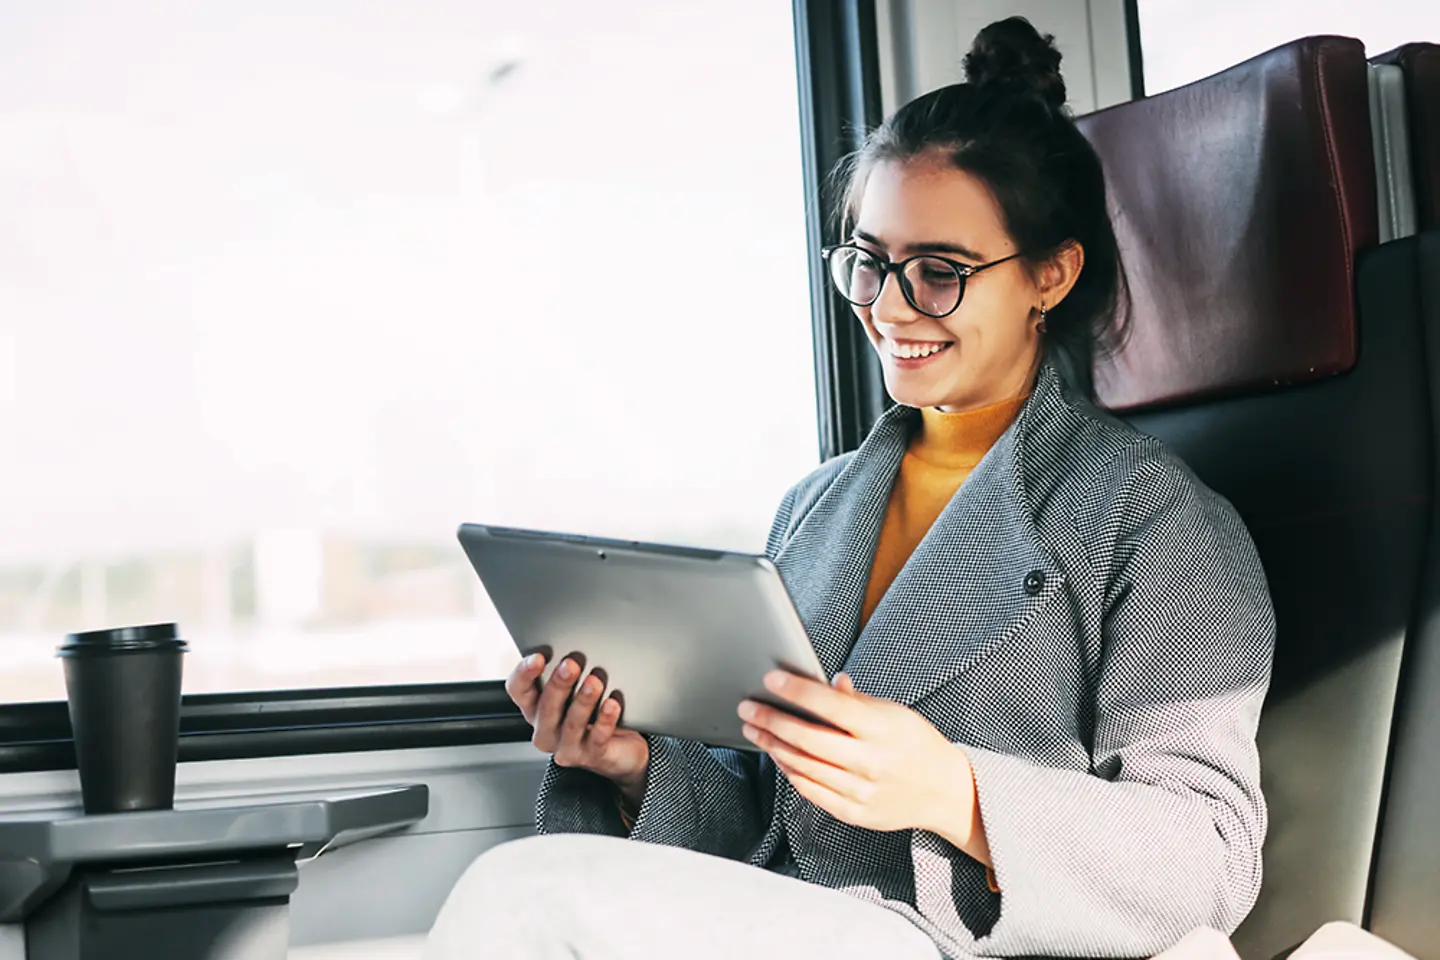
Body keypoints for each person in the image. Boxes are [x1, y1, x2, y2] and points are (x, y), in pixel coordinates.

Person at [424, 16, 1275, 960]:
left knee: (530, 895)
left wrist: (956, 793)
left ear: (1050, 275)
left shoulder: (1154, 519)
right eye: (867, 263)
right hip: (802, 922)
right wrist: (633, 767)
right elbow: (765, 822)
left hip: (958, 942)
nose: (890, 308)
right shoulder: (817, 507)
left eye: (939, 273)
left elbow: (1211, 855)